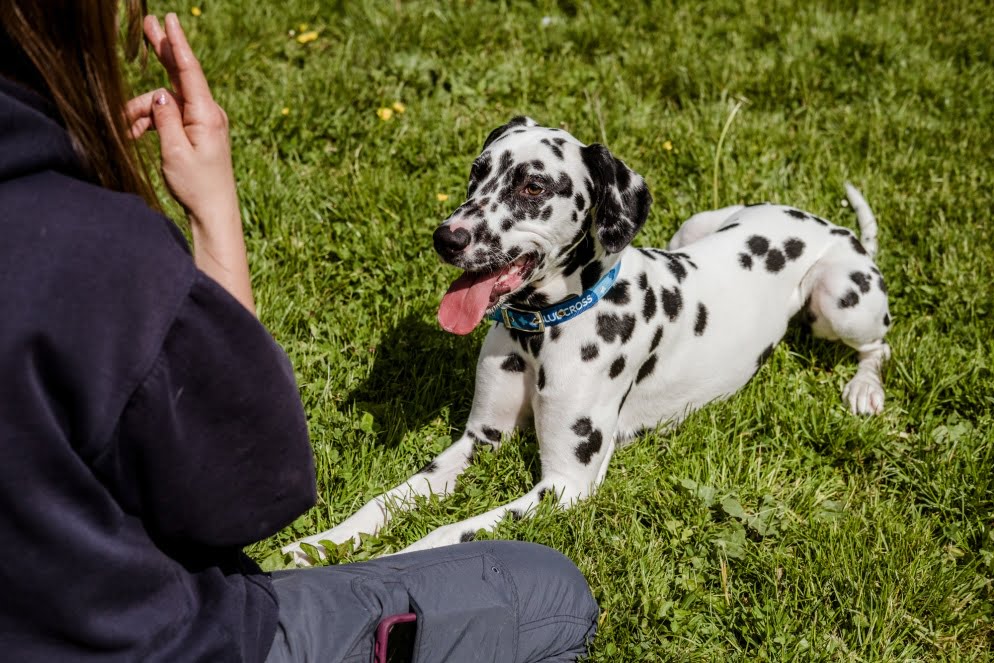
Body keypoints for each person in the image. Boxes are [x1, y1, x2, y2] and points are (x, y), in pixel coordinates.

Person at [0, 3, 598, 662]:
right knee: (555, 598)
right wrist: (212, 207)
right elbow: (247, 492)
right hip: (163, 642)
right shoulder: (97, 249)